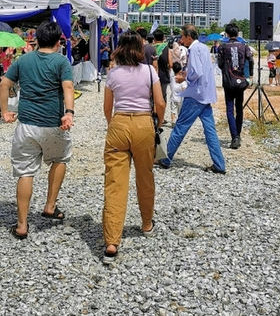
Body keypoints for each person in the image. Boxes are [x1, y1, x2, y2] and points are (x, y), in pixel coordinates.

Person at [0, 20, 74, 238]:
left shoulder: (23, 60)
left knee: (25, 172)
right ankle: (50, 205)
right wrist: (69, 112)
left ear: (37, 39)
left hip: (26, 125)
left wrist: (5, 110)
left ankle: (22, 225)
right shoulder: (61, 61)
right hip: (53, 124)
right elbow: (68, 87)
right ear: (58, 41)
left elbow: (5, 84)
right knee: (60, 159)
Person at [101, 32, 165, 264]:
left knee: (115, 183)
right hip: (143, 122)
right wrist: (158, 123)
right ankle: (146, 223)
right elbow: (159, 102)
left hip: (119, 122)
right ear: (140, 49)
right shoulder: (149, 71)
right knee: (145, 176)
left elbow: (107, 106)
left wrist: (113, 124)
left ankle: (111, 240)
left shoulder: (113, 73)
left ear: (119, 48)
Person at [157, 25, 226, 174]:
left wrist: (184, 77)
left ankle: (166, 159)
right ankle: (219, 164)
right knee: (210, 130)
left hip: (195, 94)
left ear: (189, 37)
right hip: (205, 93)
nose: (181, 40)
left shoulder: (194, 49)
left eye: (182, 36)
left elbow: (197, 72)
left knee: (180, 127)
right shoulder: (203, 47)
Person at [217, 23, 253, 149]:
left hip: (228, 81)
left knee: (229, 109)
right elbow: (251, 60)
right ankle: (238, 134)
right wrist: (250, 76)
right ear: (238, 34)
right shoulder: (244, 46)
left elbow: (220, 64)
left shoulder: (222, 47)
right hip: (241, 81)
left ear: (227, 34)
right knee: (239, 108)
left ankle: (234, 136)